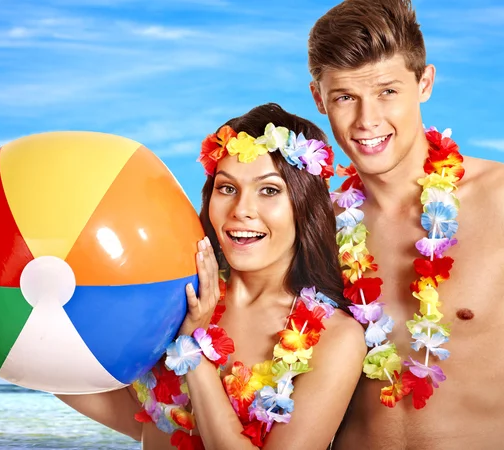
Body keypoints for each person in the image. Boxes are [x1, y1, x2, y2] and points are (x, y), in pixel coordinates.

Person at [56, 103, 366, 449]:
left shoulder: (335, 338)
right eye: (227, 188)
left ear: (304, 205)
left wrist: (194, 349)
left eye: (269, 190)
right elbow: (143, 419)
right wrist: (38, 327)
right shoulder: (172, 291)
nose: (242, 211)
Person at [307, 1, 504, 449]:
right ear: (319, 98)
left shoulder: (500, 199)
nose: (367, 120)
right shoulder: (314, 230)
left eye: (387, 92)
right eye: (344, 97)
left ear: (425, 83)